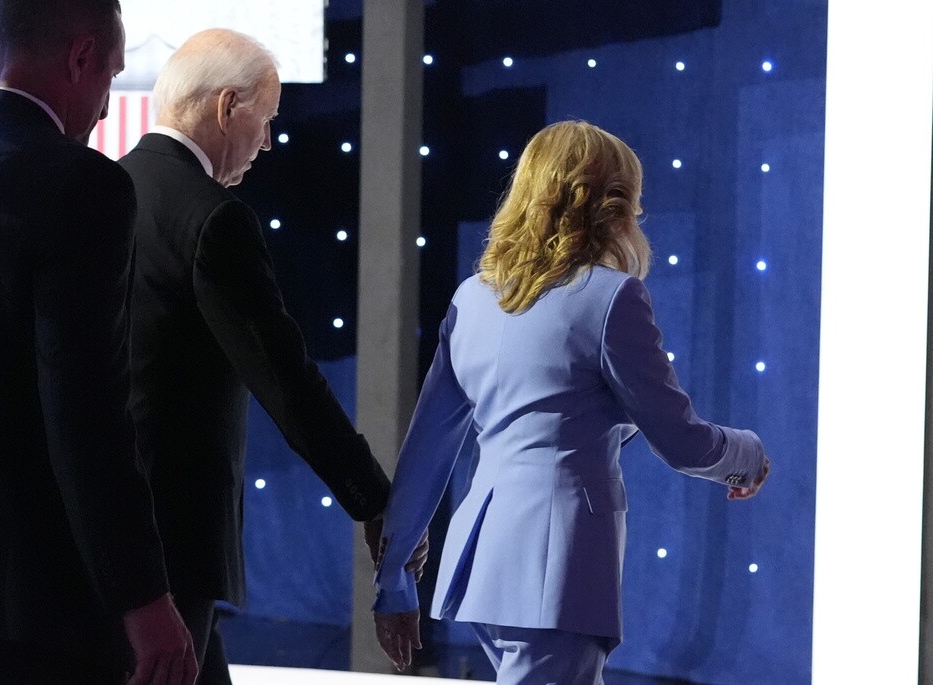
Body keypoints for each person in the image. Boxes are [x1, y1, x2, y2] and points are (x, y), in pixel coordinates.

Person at [372, 120, 771, 683]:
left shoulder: (473, 299)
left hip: (484, 563)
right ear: (612, 205)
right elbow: (680, 440)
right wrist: (748, 456)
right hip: (556, 569)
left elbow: (425, 452)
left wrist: (394, 581)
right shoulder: (612, 298)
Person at [118, 29, 425, 684]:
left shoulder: (103, 192)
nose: (267, 142)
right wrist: (374, 500)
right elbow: (286, 381)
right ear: (230, 105)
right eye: (267, 119)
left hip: (96, 532)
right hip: (172, 543)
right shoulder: (212, 219)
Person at [0, 1, 199, 684]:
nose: (104, 108)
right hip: (22, 596)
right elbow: (86, 406)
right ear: (79, 59)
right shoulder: (80, 182)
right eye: (110, 76)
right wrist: (143, 596)